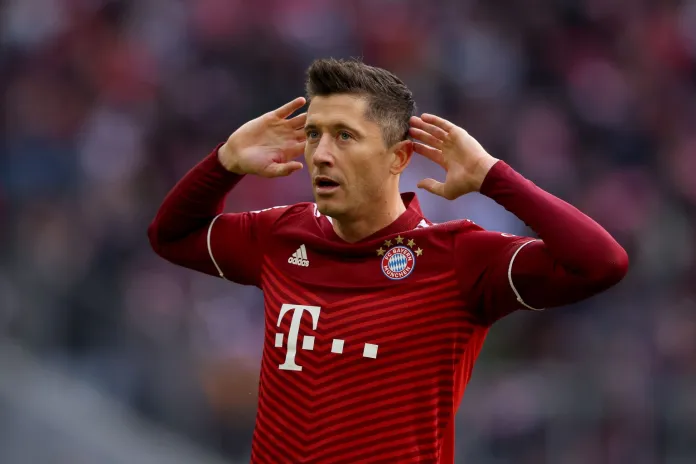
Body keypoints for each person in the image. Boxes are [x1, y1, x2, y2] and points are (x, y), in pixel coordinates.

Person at [148, 58, 628, 464]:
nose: (321, 154)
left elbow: (601, 263)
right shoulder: (280, 235)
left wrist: (492, 176)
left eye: (344, 136)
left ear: (398, 158)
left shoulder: (457, 257)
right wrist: (225, 162)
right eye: (314, 134)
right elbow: (170, 236)